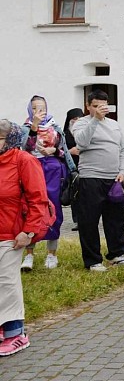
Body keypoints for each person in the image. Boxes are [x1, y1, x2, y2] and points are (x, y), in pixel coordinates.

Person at [0, 119, 54, 356]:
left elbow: (38, 199)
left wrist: (28, 231)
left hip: (12, 234)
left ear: (10, 139)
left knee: (7, 281)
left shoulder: (24, 160)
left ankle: (16, 333)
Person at [71, 90, 124, 272]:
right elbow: (81, 143)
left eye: (103, 105)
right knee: (89, 220)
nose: (100, 109)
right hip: (91, 178)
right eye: (96, 106)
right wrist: (95, 120)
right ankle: (93, 260)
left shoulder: (114, 125)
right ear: (88, 106)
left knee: (116, 218)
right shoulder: (81, 123)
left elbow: (123, 149)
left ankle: (117, 254)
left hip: (114, 178)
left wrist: (122, 170)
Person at [20, 96, 75, 270]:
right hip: (32, 168)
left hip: (52, 170)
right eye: (35, 108)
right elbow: (26, 148)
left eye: (42, 108)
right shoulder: (25, 128)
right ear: (30, 110)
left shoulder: (55, 127)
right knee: (31, 209)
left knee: (53, 209)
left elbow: (64, 152)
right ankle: (29, 254)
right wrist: (34, 126)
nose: (39, 112)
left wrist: (53, 150)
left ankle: (52, 254)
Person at [62, 107, 83, 231]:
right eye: (74, 119)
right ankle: (77, 220)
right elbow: (59, 151)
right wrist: (70, 152)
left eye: (79, 119)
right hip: (71, 168)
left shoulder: (86, 131)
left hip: (85, 166)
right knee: (75, 195)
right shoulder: (64, 134)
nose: (77, 121)